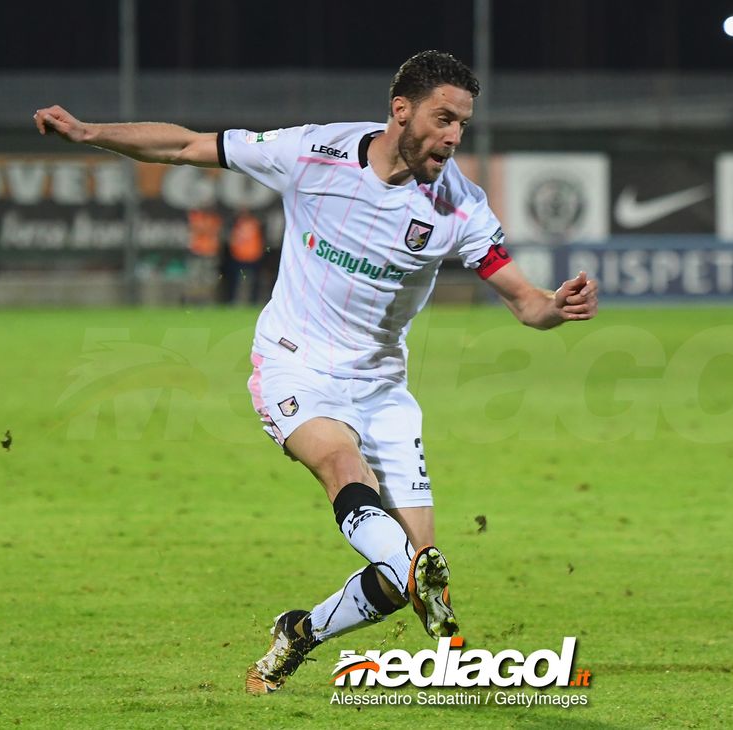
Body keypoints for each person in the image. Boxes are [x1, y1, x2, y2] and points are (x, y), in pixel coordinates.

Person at [33, 50, 598, 695]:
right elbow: (189, 145)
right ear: (401, 110)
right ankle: (412, 574)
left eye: (463, 124)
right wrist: (88, 133)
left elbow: (527, 303)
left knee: (401, 580)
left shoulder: (460, 207)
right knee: (343, 470)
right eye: (443, 119)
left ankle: (299, 633)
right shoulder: (312, 152)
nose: (453, 137)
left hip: (383, 387)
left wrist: (558, 306)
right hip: (294, 364)